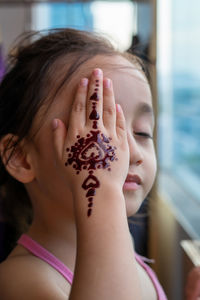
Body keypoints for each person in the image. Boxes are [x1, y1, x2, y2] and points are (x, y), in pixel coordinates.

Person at [0, 28, 167, 300]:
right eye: (98, 130)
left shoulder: (132, 260)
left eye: (142, 132)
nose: (131, 152)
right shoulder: (20, 280)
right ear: (21, 157)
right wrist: (101, 190)